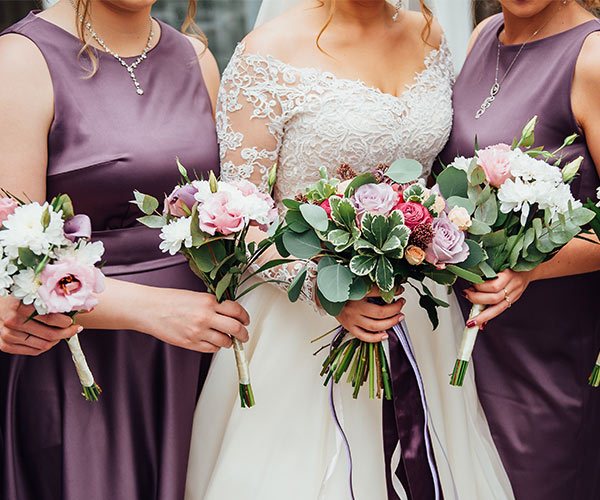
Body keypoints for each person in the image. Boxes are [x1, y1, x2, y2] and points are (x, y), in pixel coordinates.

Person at [185, 1, 514, 499]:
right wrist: (325, 288)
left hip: (420, 311)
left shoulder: (429, 36)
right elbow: (240, 216)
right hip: (300, 319)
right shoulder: (266, 54)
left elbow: (438, 175)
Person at [0, 1, 250, 498]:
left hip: (194, 357)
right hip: (82, 364)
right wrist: (149, 309)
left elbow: (225, 211)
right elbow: (13, 254)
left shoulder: (196, 58)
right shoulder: (21, 59)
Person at [439, 0, 600, 498]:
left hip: (546, 352)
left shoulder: (591, 56)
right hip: (461, 333)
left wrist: (530, 267)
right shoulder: (485, 33)